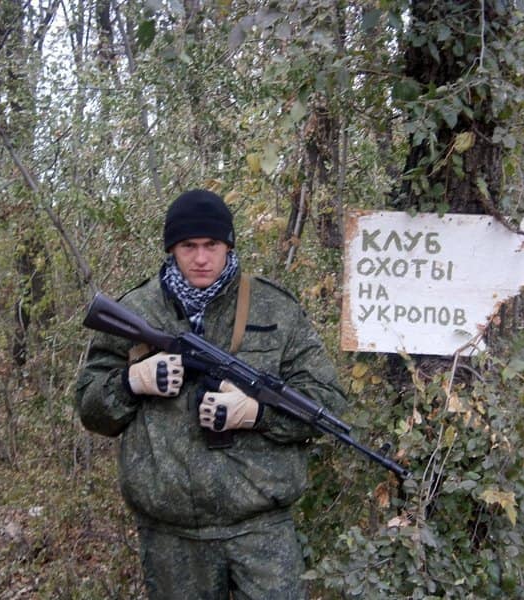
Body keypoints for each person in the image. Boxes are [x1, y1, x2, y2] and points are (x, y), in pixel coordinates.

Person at [76, 189, 348, 599]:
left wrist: (256, 414)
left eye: (212, 245)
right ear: (172, 249)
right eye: (189, 246)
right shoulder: (135, 311)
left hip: (261, 530)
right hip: (172, 537)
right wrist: (131, 382)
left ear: (228, 246)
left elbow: (327, 402)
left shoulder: (274, 308)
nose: (201, 258)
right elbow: (90, 409)